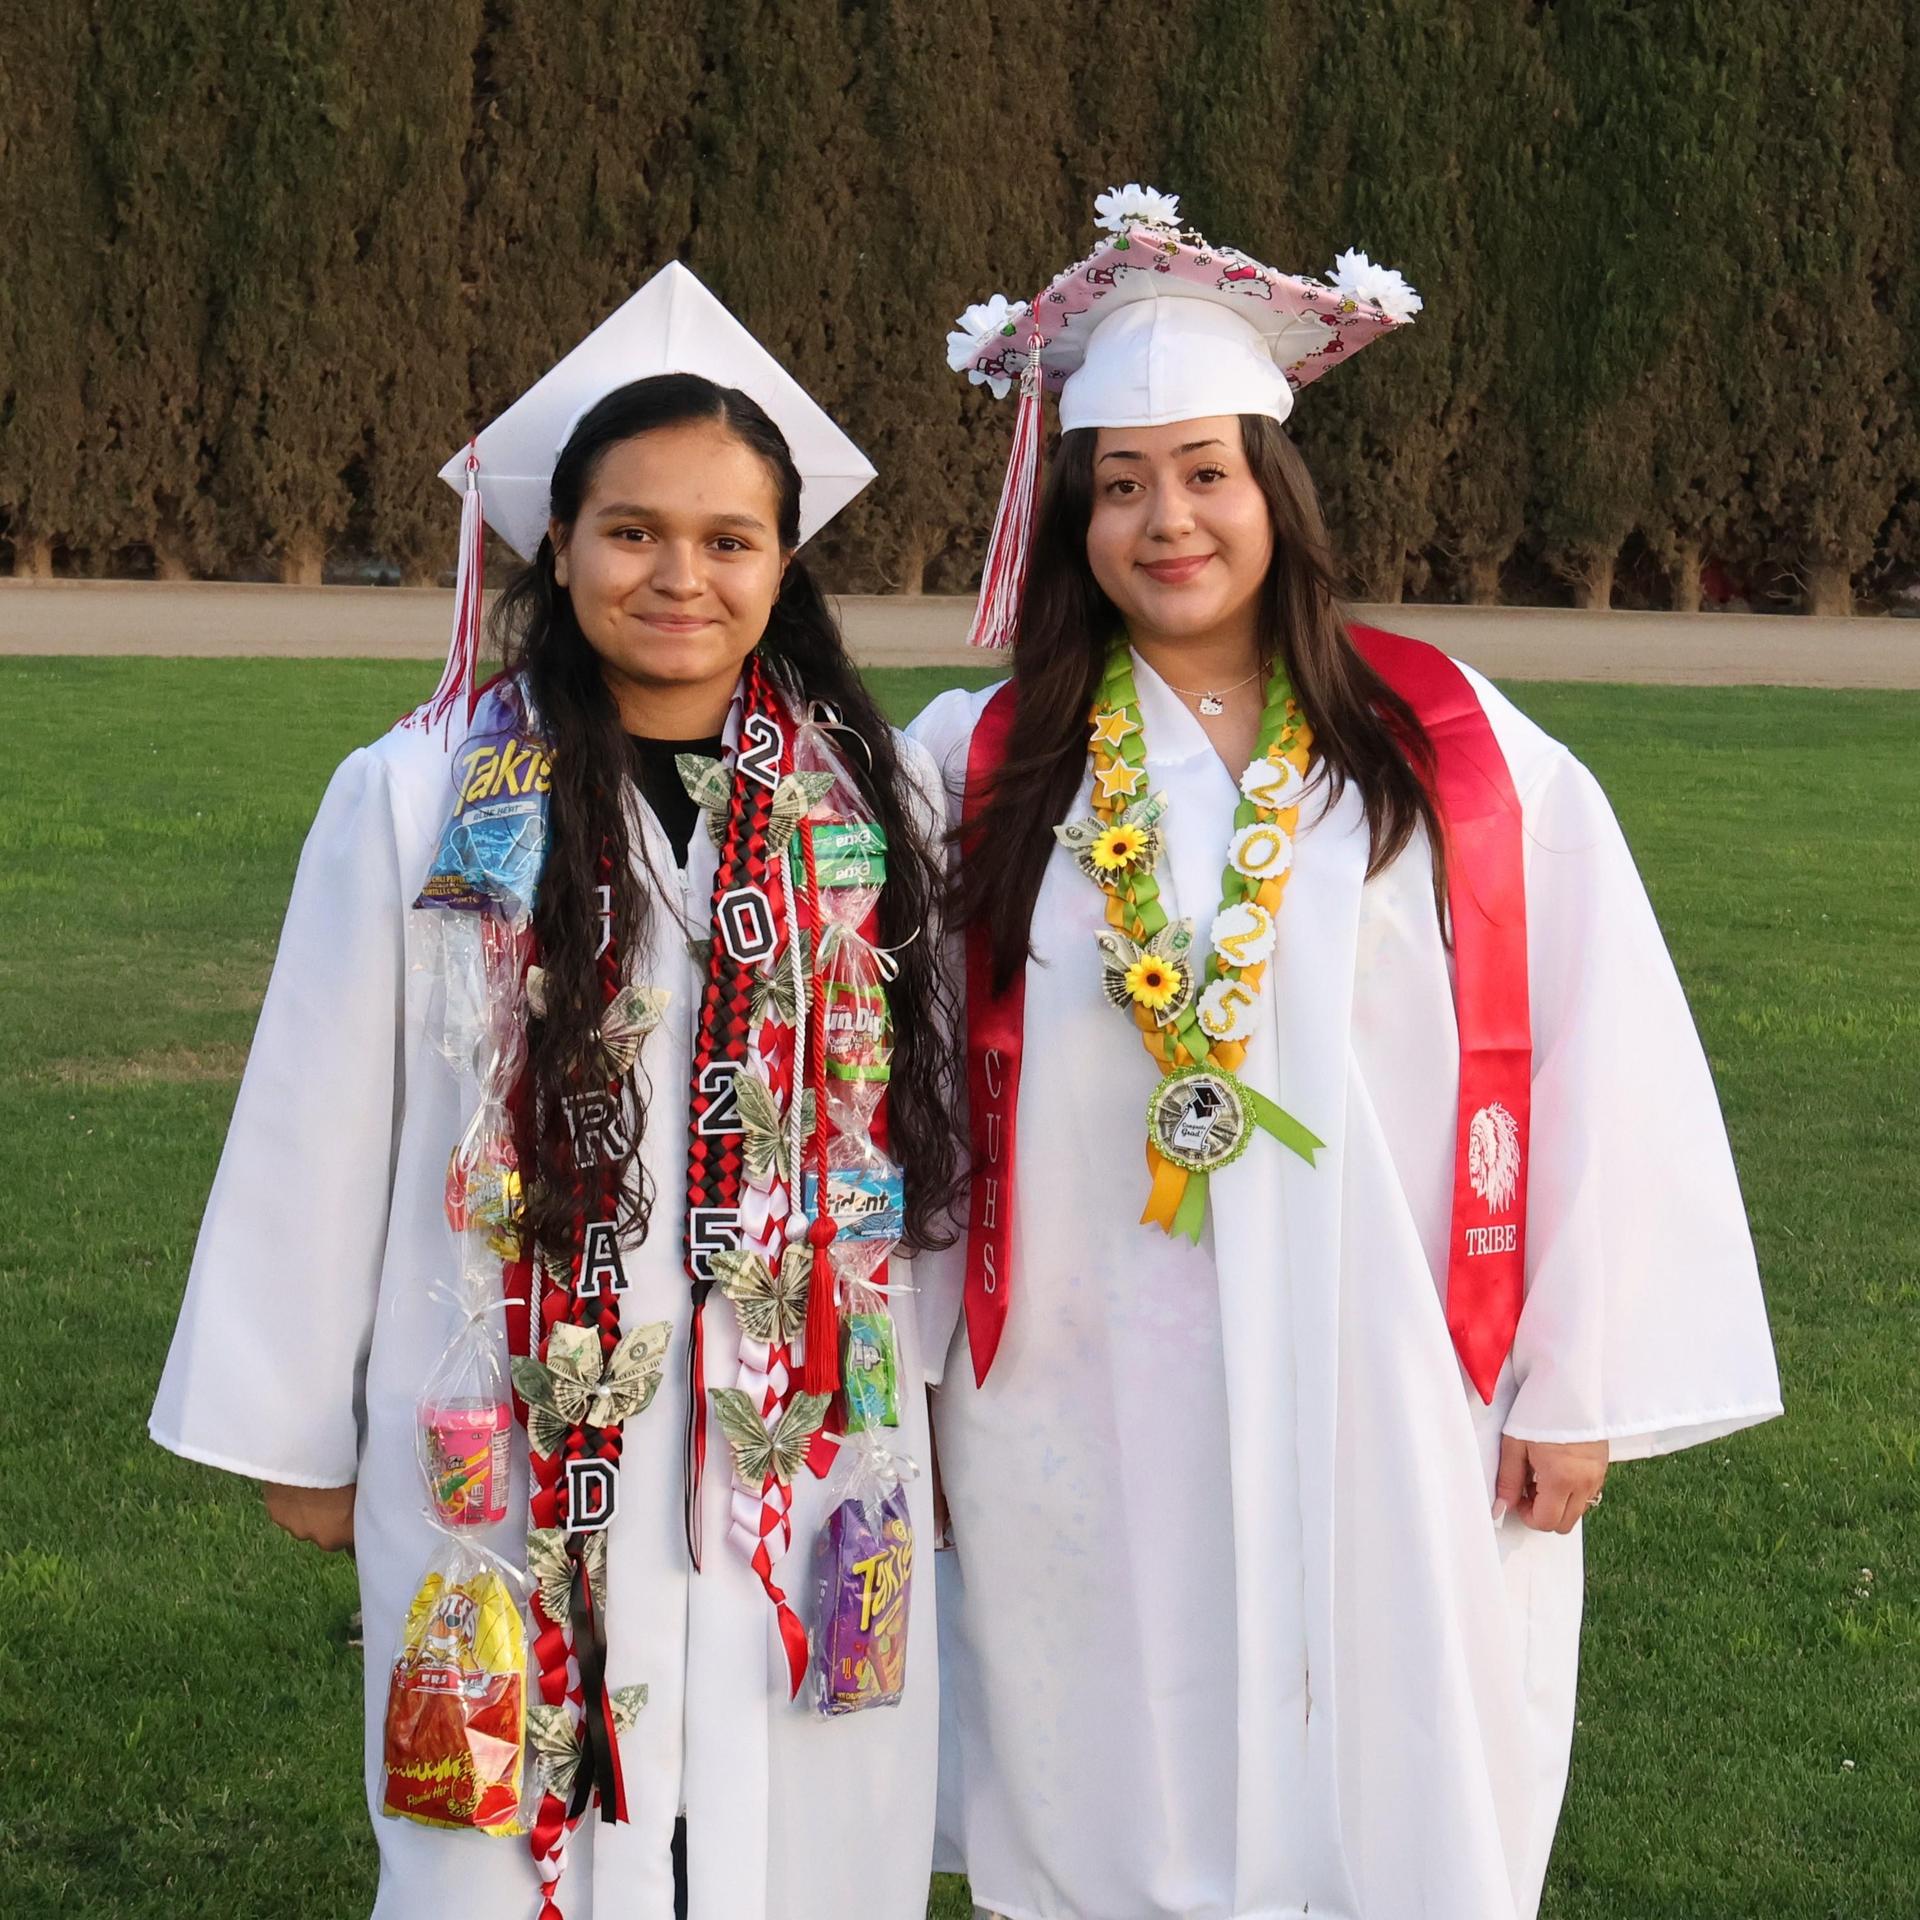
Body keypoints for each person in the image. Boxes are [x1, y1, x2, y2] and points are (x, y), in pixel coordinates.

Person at [910, 185, 1782, 1920]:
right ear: (1071, 512)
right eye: (1124, 483)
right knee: (1114, 1742)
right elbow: (904, 1078)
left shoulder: (1449, 747)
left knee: (1398, 1744)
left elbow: (1594, 1052)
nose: (1171, 520)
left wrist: (1577, 1378)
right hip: (1089, 1359)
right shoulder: (982, 763)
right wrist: (909, 1370)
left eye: (1208, 472)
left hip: (1392, 1353)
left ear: (1277, 493)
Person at [151, 263, 958, 1920]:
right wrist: (300, 1423)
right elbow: (321, 1119)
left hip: (789, 1417)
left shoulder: (865, 807)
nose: (682, 575)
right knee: (502, 1823)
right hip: (503, 1412)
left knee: (785, 1809)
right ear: (559, 544)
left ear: (783, 565)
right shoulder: (415, 796)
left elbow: (916, 1123)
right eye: (633, 530)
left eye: (730, 539)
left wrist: (930, 1392)